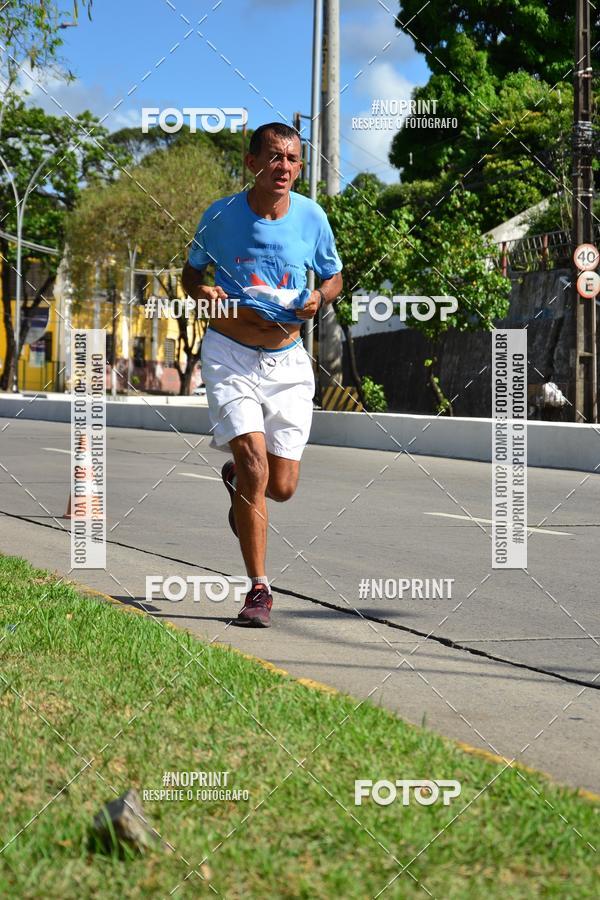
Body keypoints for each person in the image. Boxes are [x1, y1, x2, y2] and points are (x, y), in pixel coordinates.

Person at [182, 122, 343, 627]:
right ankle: (258, 590)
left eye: (293, 159)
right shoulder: (221, 215)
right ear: (252, 163)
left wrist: (321, 296)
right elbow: (192, 274)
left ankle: (236, 482)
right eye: (275, 157)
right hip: (229, 352)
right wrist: (201, 292)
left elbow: (334, 275)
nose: (285, 167)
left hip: (289, 359)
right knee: (254, 463)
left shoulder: (312, 217)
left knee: (282, 486)